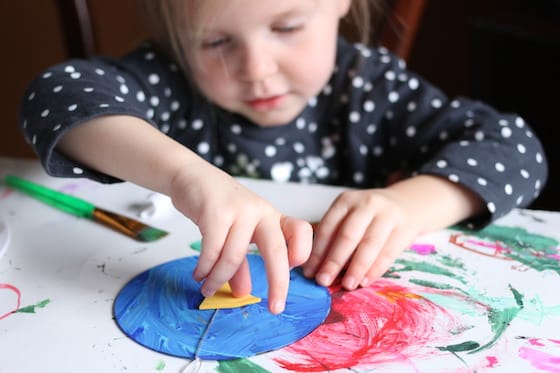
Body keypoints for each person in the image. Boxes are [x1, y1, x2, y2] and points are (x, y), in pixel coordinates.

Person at [19, 0, 547, 314]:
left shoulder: (369, 87)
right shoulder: (170, 81)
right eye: (216, 40)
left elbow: (516, 149)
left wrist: (408, 208)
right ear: (176, 37)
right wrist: (186, 176)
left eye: (287, 28)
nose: (256, 68)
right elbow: (56, 95)